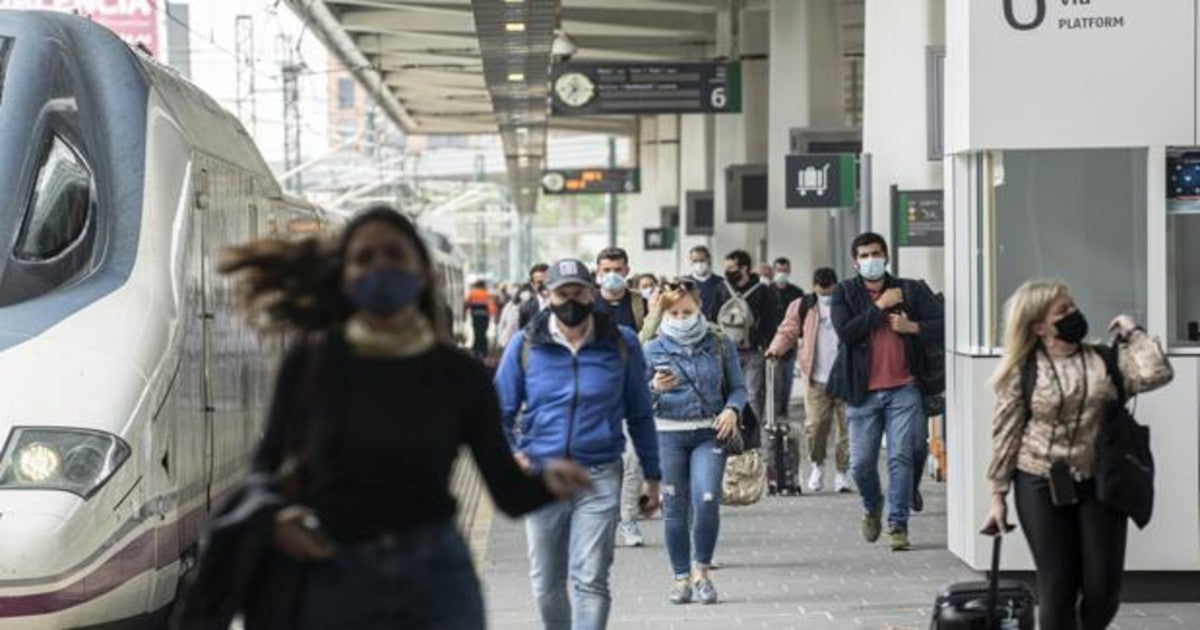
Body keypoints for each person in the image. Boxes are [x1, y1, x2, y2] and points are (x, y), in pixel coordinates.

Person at [218, 206, 591, 629]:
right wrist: (276, 519)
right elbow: (265, 467)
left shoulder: (458, 374)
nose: (380, 266)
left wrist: (547, 485)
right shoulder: (313, 361)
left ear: (421, 273)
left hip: (436, 579)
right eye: (365, 258)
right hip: (331, 570)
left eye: (394, 254)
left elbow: (505, 491)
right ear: (344, 275)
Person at [980, 280, 1172, 630]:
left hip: (1098, 481)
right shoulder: (1024, 372)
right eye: (1062, 311)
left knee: (1104, 590)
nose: (1074, 314)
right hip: (1039, 482)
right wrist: (997, 498)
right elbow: (1005, 435)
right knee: (1058, 587)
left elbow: (1157, 373)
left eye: (1072, 306)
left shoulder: (1104, 360)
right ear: (1039, 327)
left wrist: (1133, 332)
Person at [494, 258, 662, 630]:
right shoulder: (526, 345)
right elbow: (498, 413)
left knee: (590, 579)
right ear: (546, 296)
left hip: (599, 475)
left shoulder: (621, 343)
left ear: (593, 293)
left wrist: (653, 475)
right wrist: (514, 457)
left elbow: (640, 413)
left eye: (579, 291)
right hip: (542, 477)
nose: (571, 300)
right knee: (546, 582)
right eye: (561, 293)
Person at [826, 232, 943, 551]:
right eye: (864, 255)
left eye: (876, 253)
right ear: (855, 261)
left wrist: (913, 327)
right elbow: (848, 334)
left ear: (887, 256)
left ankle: (897, 525)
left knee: (902, 455)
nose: (870, 260)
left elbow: (943, 323)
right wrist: (880, 307)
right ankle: (872, 505)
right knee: (860, 464)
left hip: (904, 389)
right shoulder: (845, 293)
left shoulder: (911, 290)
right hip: (862, 392)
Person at [643, 279, 746, 605]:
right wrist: (655, 388)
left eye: (687, 311)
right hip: (667, 435)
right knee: (673, 507)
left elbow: (739, 388)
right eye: (673, 312)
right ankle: (680, 578)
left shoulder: (719, 343)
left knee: (706, 498)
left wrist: (732, 409)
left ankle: (702, 572)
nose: (681, 317)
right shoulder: (652, 349)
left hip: (708, 433)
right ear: (663, 313)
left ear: (699, 308)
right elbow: (635, 401)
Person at [767, 267, 851, 493]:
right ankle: (817, 465)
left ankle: (843, 473)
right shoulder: (802, 305)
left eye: (829, 289)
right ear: (814, 286)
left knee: (847, 429)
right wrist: (775, 350)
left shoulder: (847, 302)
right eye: (821, 289)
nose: (826, 293)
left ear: (836, 285)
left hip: (846, 376)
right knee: (815, 427)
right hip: (815, 377)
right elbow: (788, 330)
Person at [591, 247, 651, 547]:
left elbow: (655, 343)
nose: (612, 275)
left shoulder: (641, 304)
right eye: (606, 270)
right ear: (597, 272)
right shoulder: (586, 304)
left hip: (633, 391)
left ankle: (627, 518)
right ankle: (603, 519)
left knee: (634, 459)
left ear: (627, 271)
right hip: (595, 395)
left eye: (617, 269)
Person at [720, 249, 780, 430]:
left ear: (745, 268)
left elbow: (770, 321)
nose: (728, 271)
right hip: (725, 351)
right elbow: (712, 317)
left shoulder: (763, 291)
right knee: (727, 392)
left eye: (731, 267)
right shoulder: (722, 288)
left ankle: (750, 433)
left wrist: (770, 347)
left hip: (754, 350)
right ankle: (730, 429)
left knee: (753, 393)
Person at [769, 257, 805, 419]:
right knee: (772, 380)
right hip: (770, 343)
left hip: (790, 343)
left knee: (786, 378)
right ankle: (773, 412)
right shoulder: (767, 291)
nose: (781, 274)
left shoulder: (796, 293)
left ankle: (783, 410)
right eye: (778, 270)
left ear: (789, 271)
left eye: (784, 270)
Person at [687, 245, 731, 322]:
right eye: (695, 261)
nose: (699, 264)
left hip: (716, 328)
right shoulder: (685, 283)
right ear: (690, 262)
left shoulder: (722, 283)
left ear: (709, 260)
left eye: (702, 260)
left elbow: (727, 308)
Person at [465, 279, 496, 359]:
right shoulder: (487, 294)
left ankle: (476, 350)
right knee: (483, 333)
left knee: (476, 333)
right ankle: (483, 351)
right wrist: (493, 315)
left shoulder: (472, 294)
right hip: (485, 317)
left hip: (475, 317)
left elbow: (466, 304)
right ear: (483, 286)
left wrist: (465, 313)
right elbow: (491, 307)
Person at [498, 283, 533, 349]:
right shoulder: (511, 305)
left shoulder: (533, 305)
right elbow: (502, 322)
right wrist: (500, 337)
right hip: (509, 339)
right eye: (524, 291)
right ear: (520, 292)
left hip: (526, 341)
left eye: (529, 292)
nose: (527, 294)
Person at [519, 263, 551, 328]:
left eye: (547, 282)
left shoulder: (562, 304)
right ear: (533, 284)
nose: (544, 285)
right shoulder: (525, 307)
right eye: (540, 282)